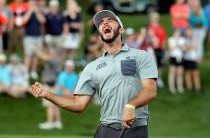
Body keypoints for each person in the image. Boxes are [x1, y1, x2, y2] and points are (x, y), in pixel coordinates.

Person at [31, 10, 157, 138]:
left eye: (110, 20)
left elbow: (150, 90)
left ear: (121, 30)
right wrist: (47, 94)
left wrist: (131, 105)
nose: (105, 23)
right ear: (99, 37)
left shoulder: (141, 56)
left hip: (135, 130)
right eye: (101, 23)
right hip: (106, 131)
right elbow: (78, 104)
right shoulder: (92, 67)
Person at [21, 0, 46, 79]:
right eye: (31, 2)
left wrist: (36, 11)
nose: (33, 4)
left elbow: (43, 21)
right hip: (28, 37)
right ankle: (25, 73)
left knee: (36, 55)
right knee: (28, 55)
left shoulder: (39, 12)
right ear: (28, 3)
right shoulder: (25, 11)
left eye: (34, 2)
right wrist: (30, 11)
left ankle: (33, 71)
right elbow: (23, 21)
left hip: (37, 37)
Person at [149, 12, 167, 89]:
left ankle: (159, 79)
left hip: (160, 48)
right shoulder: (149, 28)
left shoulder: (160, 28)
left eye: (157, 18)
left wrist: (165, 47)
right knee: (153, 66)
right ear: (151, 19)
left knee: (160, 65)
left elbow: (164, 38)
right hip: (152, 49)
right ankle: (152, 81)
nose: (156, 19)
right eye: (154, 18)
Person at [183, 28, 201, 93]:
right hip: (186, 58)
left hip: (193, 59)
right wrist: (189, 47)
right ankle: (189, 87)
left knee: (195, 73)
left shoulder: (195, 39)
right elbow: (184, 48)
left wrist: (187, 47)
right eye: (187, 32)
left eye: (190, 32)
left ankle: (197, 88)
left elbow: (195, 47)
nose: (189, 33)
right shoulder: (184, 39)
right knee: (187, 73)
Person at [168, 30, 185, 94]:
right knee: (172, 73)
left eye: (178, 33)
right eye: (176, 33)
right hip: (173, 57)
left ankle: (180, 87)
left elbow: (183, 49)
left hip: (180, 57)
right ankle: (171, 88)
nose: (177, 35)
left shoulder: (182, 39)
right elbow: (170, 48)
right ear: (173, 33)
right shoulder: (171, 39)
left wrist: (179, 45)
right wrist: (176, 44)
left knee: (179, 73)